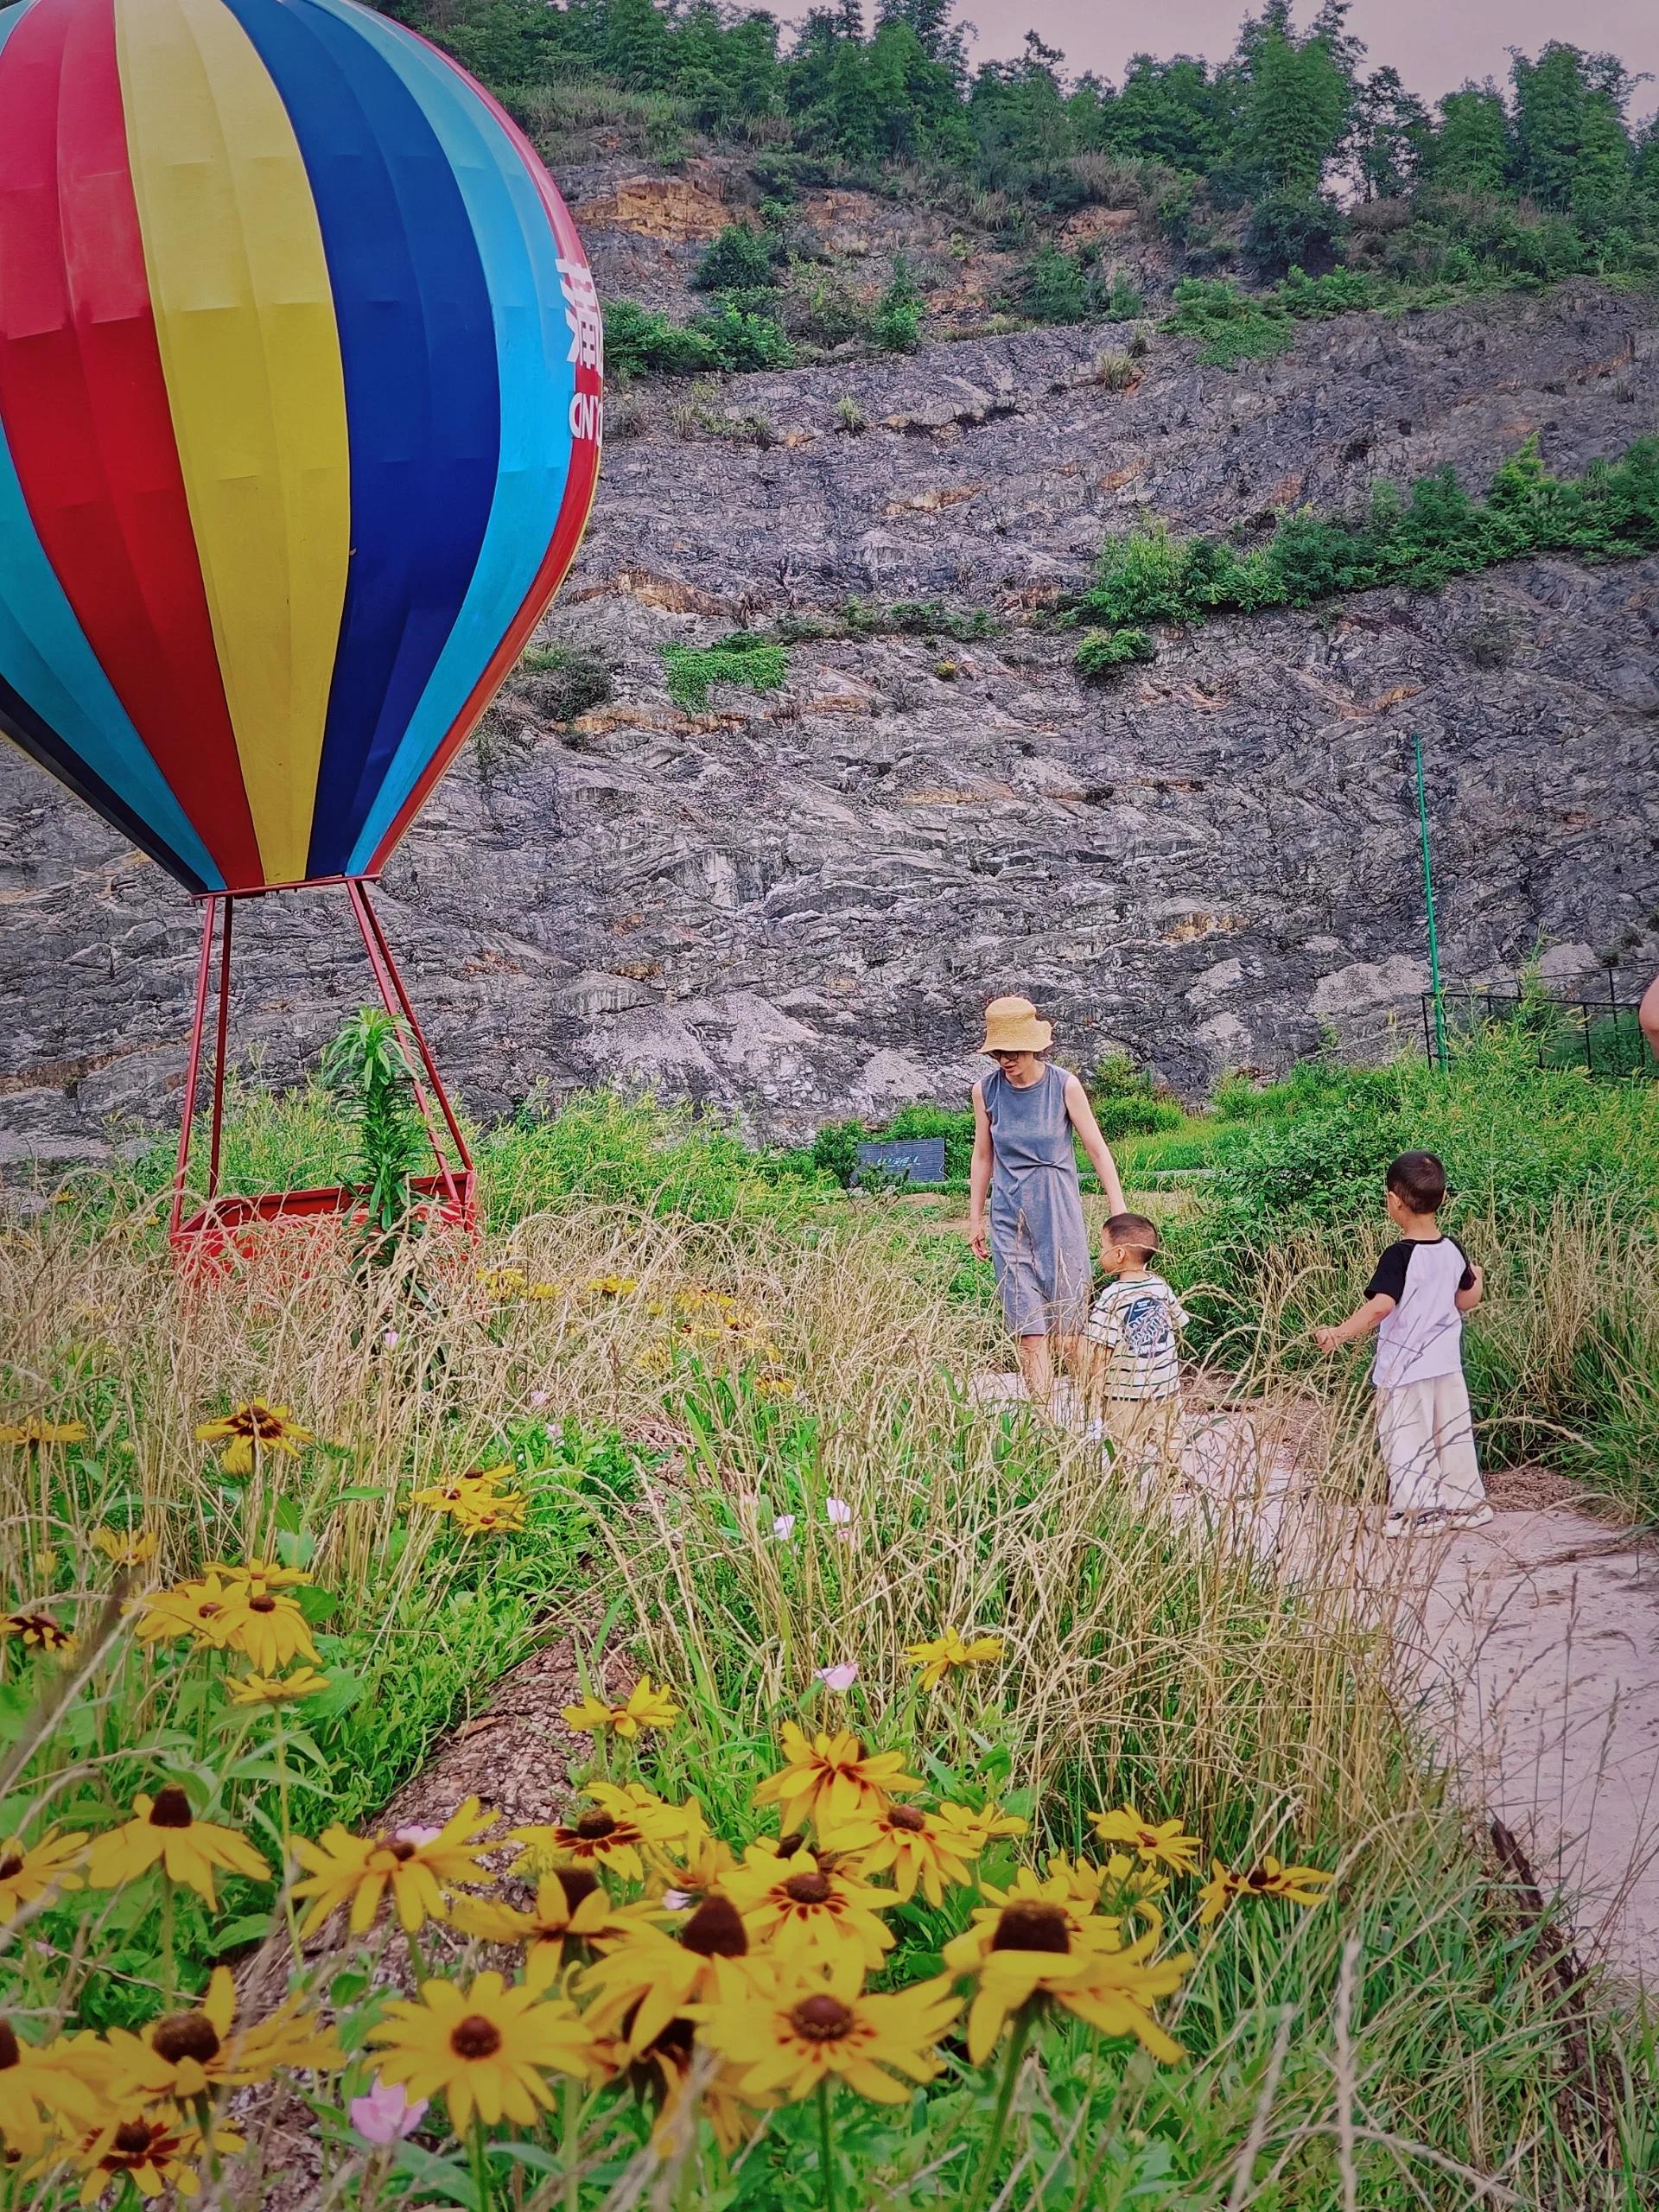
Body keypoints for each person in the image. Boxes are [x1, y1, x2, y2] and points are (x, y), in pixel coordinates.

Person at [1313, 1150, 1493, 1539]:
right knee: (1453, 1433)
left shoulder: (1399, 1256)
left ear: (1393, 1202)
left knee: (1407, 1436)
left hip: (1405, 1369)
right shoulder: (1453, 1249)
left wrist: (1337, 1334)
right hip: (1446, 1366)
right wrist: (1476, 1278)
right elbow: (1464, 1300)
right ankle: (1466, 1505)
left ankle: (1419, 1512)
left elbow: (1380, 1307)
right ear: (1443, 1200)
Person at [967, 995, 1127, 1411]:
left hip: (1057, 1209)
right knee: (1029, 1331)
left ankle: (1100, 1414)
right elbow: (983, 1155)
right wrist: (975, 1217)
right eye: (998, 1051)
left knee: (1069, 1333)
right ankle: (1044, 1425)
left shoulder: (1063, 1085)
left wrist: (1118, 1208)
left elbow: (1096, 1148)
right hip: (1008, 1213)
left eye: (1013, 1050)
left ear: (1034, 1046)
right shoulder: (985, 1091)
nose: (1005, 1059)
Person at [1083, 1212, 1187, 1464]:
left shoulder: (1111, 1297)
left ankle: (1124, 1490)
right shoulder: (1161, 1287)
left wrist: (1094, 1396)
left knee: (1123, 1449)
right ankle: (1172, 1482)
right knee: (1171, 1442)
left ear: (1119, 1254)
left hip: (1123, 1396)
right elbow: (1178, 1323)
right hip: (1166, 1388)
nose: (1100, 1253)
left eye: (1102, 1247)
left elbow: (1100, 1351)